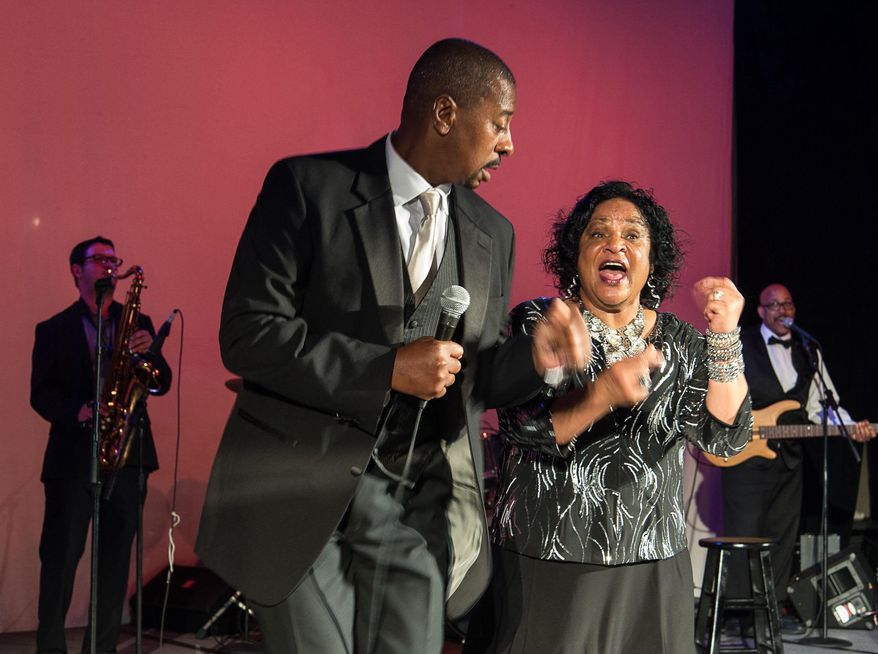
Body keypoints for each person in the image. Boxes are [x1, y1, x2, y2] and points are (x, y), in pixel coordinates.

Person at [195, 39, 589, 654]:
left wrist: (534, 360)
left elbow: (474, 380)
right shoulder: (308, 188)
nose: (509, 143)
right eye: (501, 123)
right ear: (444, 114)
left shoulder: (493, 233)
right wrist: (384, 369)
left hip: (412, 512)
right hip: (298, 497)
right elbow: (248, 333)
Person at [463, 181, 753, 654]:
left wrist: (723, 337)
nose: (615, 243)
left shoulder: (679, 340)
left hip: (653, 569)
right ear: (574, 256)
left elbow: (726, 438)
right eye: (597, 234)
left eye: (633, 235)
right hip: (547, 561)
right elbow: (524, 429)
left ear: (652, 262)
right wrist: (601, 395)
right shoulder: (540, 323)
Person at [30, 235, 172, 654]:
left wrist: (150, 358)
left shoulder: (138, 323)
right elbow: (41, 394)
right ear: (77, 270)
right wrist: (81, 411)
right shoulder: (52, 330)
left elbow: (159, 384)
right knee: (60, 560)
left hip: (126, 458)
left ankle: (102, 649)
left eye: (115, 258)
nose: (111, 265)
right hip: (73, 458)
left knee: (112, 568)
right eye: (101, 259)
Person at [720, 282, 875, 627]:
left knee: (780, 537)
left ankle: (770, 610)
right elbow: (721, 395)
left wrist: (850, 426)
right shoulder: (741, 344)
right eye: (774, 305)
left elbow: (824, 404)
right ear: (760, 312)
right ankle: (740, 613)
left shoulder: (809, 352)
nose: (782, 310)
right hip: (746, 456)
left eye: (788, 304)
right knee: (745, 535)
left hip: (790, 458)